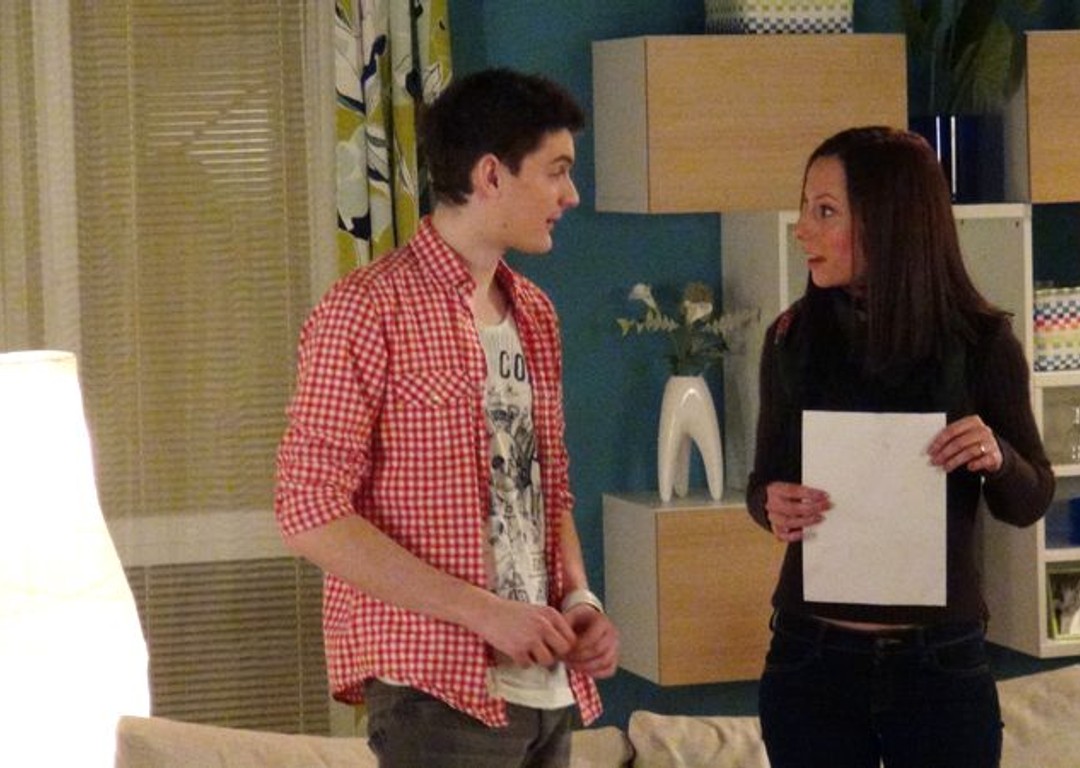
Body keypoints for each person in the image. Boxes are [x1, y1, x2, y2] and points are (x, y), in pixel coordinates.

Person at [274, 68, 619, 768]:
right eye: (556, 171)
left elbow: (546, 489)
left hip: (547, 689)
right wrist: (485, 612)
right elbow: (309, 511)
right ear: (491, 174)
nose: (571, 195)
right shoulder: (366, 310)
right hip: (438, 694)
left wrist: (579, 598)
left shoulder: (536, 315)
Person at [747, 126, 1054, 768]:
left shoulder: (981, 343)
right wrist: (771, 503)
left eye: (824, 211)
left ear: (889, 221)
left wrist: (997, 455)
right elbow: (763, 482)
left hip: (940, 664)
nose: (801, 229)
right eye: (804, 207)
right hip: (810, 661)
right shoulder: (790, 339)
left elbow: (1030, 501)